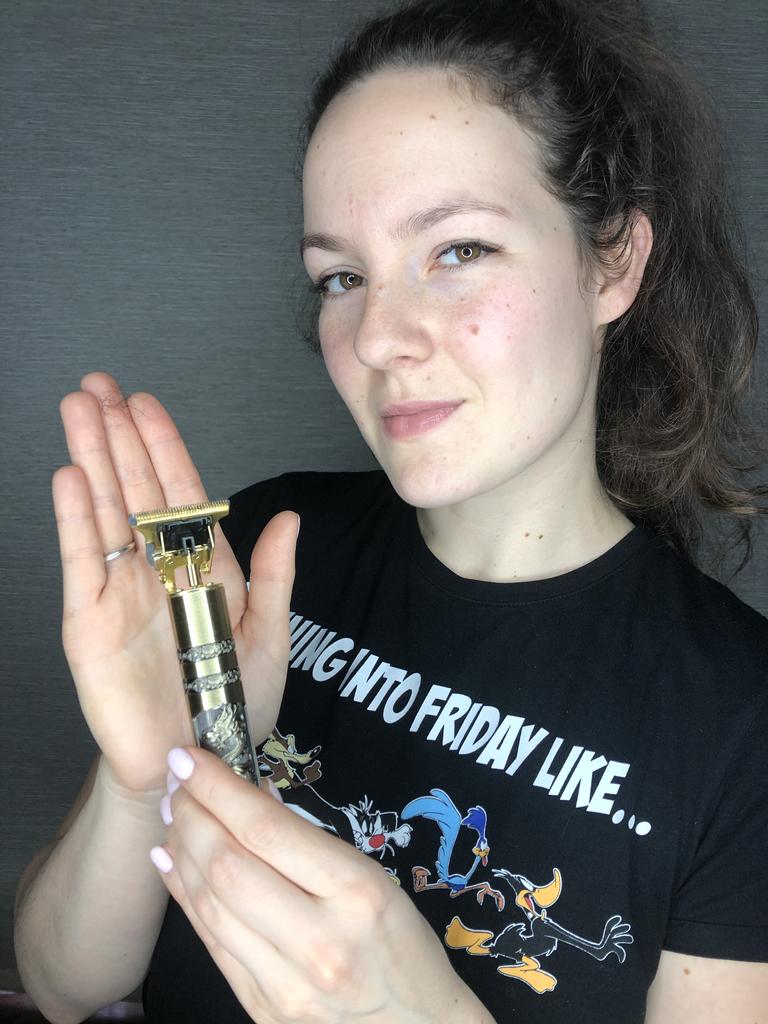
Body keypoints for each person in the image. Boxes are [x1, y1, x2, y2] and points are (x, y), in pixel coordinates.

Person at [13, 0, 768, 1021]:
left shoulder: (743, 727)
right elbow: (62, 987)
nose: (375, 337)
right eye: (342, 276)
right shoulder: (255, 559)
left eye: (458, 250)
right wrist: (145, 777)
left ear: (614, 262)